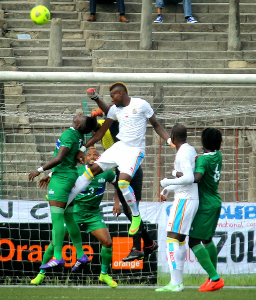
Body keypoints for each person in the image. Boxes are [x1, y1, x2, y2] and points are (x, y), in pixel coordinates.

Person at [67, 82, 173, 262]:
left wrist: (169, 140)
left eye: (112, 96)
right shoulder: (114, 111)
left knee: (124, 187)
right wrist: (83, 149)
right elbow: (100, 132)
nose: (111, 100)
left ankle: (138, 234)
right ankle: (66, 200)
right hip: (119, 148)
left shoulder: (141, 104)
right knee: (91, 171)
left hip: (134, 152)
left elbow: (156, 124)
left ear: (121, 94)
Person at [31, 148, 119, 288]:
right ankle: (41, 274)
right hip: (75, 213)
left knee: (108, 242)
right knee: (55, 242)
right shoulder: (78, 171)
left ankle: (104, 274)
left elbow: (118, 184)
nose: (91, 156)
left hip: (93, 214)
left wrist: (117, 202)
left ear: (99, 158)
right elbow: (62, 175)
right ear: (84, 157)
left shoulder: (107, 172)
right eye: (88, 154)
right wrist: (49, 175)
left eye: (95, 154)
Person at [90, 92, 158, 261]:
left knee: (132, 210)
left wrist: (97, 99)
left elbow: (109, 109)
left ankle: (138, 247)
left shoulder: (116, 124)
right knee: (130, 213)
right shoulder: (105, 137)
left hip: (131, 168)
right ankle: (148, 243)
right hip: (121, 169)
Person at [28, 113, 97, 270]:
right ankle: (80, 254)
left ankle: (58, 257)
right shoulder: (78, 135)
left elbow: (59, 158)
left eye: (81, 116)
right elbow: (68, 158)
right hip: (68, 176)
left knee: (57, 219)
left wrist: (38, 170)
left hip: (61, 180)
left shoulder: (69, 135)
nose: (78, 114)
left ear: (79, 125)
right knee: (69, 217)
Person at [156, 124, 199, 292]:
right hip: (186, 198)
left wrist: (167, 182)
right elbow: (186, 177)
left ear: (173, 137)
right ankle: (177, 282)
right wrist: (168, 188)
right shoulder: (189, 150)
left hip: (185, 200)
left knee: (172, 239)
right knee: (179, 240)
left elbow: (188, 178)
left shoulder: (182, 153)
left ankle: (175, 282)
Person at [186, 128, 225, 292]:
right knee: (207, 239)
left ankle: (215, 278)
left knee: (193, 241)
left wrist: (179, 174)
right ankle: (211, 278)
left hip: (206, 206)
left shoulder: (203, 160)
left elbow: (197, 178)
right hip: (215, 201)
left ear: (203, 142)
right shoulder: (218, 156)